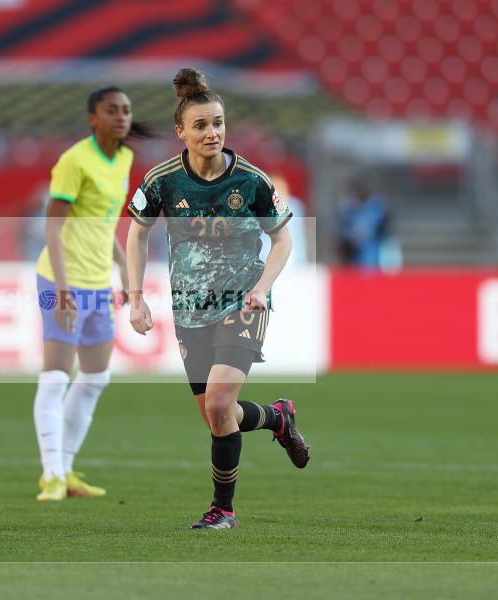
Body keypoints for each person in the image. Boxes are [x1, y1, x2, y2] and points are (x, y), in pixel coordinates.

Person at [125, 68, 310, 529]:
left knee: (218, 405)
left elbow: (283, 241)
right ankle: (276, 418)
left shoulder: (250, 181)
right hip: (190, 309)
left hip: (242, 302)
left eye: (219, 123)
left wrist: (262, 287)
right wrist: (136, 298)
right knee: (217, 416)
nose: (212, 132)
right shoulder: (163, 180)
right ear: (181, 132)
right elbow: (136, 234)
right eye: (202, 125)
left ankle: (222, 510)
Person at [33, 86, 153, 501]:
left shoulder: (124, 158)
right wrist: (63, 287)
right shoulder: (74, 161)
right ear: (92, 118)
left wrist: (122, 266)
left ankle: (65, 471)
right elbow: (53, 227)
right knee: (54, 378)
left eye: (126, 110)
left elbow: (102, 223)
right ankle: (50, 474)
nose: (121, 116)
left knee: (96, 378)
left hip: (99, 282)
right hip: (60, 281)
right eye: (111, 110)